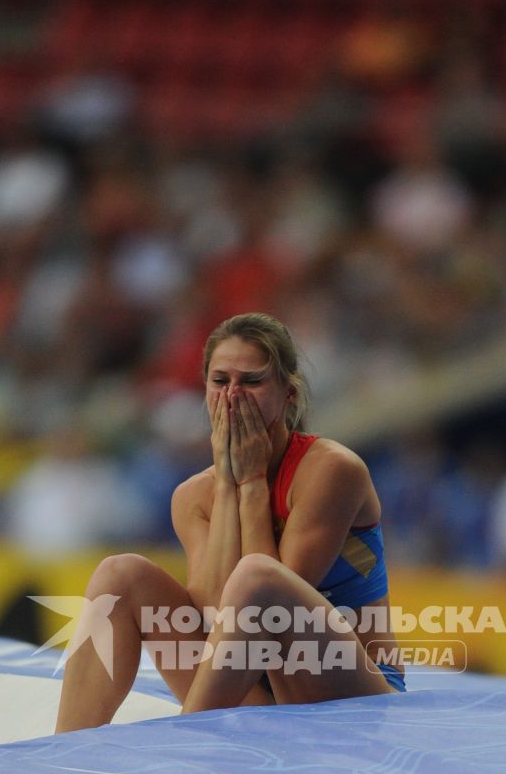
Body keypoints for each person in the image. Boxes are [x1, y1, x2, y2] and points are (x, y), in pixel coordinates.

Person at [54, 311, 404, 730]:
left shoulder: (331, 470)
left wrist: (253, 483)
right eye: (220, 382)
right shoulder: (193, 496)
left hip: (347, 696)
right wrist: (227, 484)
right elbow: (217, 610)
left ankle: (189, 739)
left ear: (288, 394)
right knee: (120, 574)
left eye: (252, 382)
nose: (233, 396)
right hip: (249, 691)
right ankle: (66, 750)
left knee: (257, 576)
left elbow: (269, 618)